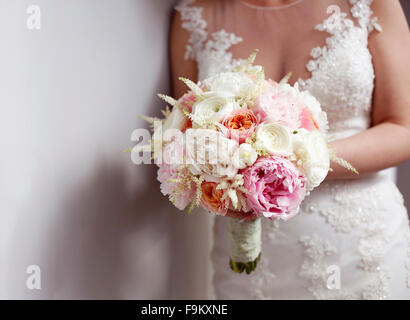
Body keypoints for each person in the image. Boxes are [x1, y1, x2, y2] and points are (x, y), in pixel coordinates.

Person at [170, 0, 410, 299]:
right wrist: (222, 171)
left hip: (360, 246)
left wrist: (293, 162)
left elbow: (402, 128)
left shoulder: (369, 4)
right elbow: (186, 137)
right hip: (252, 259)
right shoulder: (194, 17)